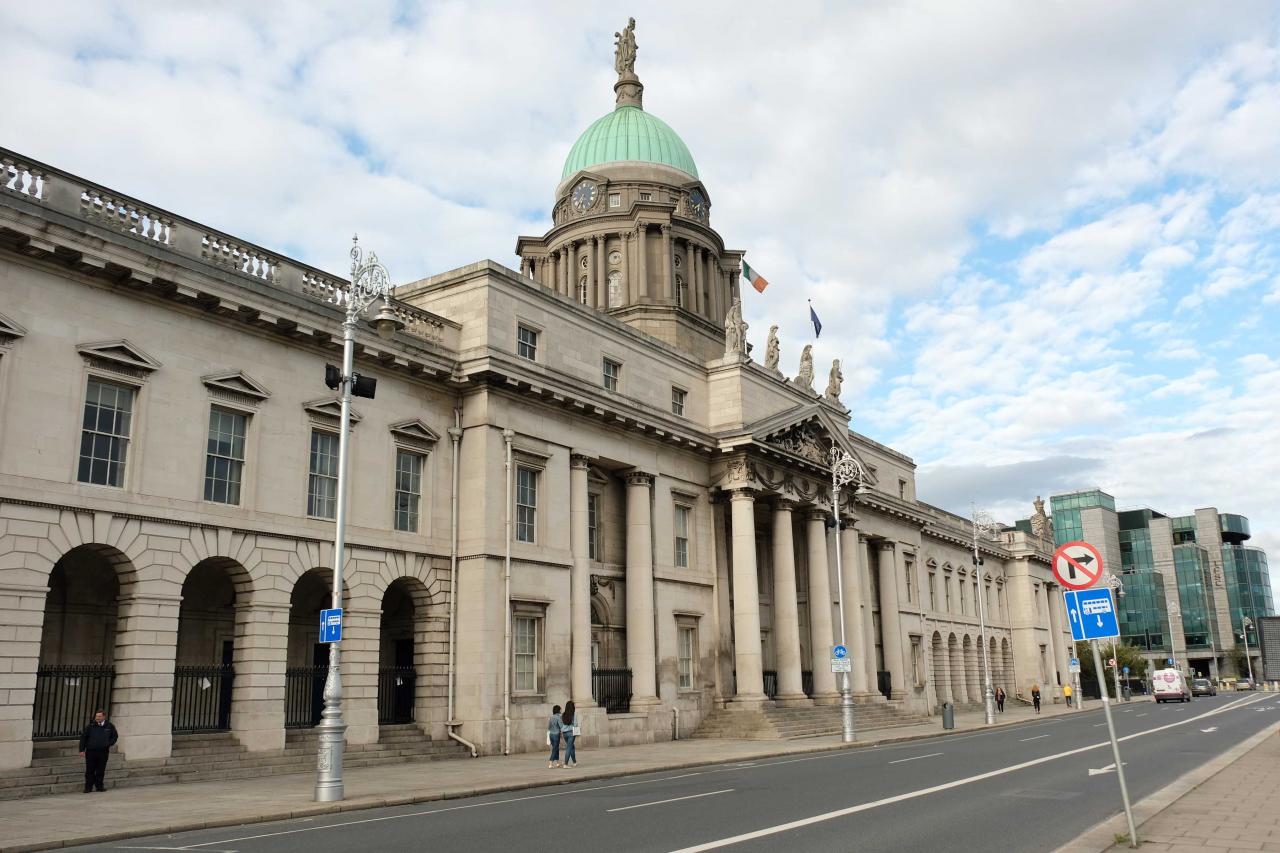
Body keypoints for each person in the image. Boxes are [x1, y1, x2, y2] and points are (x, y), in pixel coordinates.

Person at [78, 709, 118, 793]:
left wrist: (109, 743)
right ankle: (88, 787)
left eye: (99, 716)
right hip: (91, 752)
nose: (97, 718)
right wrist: (82, 750)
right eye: (96, 716)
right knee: (90, 770)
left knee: (101, 769)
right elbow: (83, 738)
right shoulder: (90, 726)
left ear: (104, 716)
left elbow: (114, 736)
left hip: (103, 752)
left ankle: (99, 786)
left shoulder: (109, 726)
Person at [560, 701, 577, 768]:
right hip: (571, 732)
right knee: (569, 748)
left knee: (572, 747)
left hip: (564, 733)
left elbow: (562, 724)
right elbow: (575, 724)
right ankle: (565, 764)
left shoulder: (563, 714)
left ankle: (574, 762)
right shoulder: (573, 714)